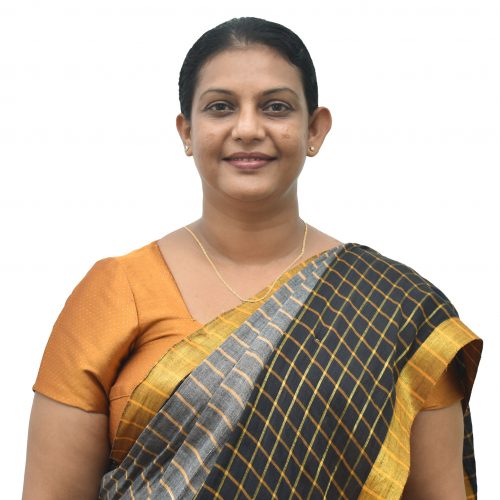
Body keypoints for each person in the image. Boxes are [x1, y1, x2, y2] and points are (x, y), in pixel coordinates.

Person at [23, 17, 481, 499]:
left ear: (314, 130)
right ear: (186, 131)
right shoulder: (113, 294)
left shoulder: (396, 309)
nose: (247, 129)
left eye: (275, 107)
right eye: (220, 107)